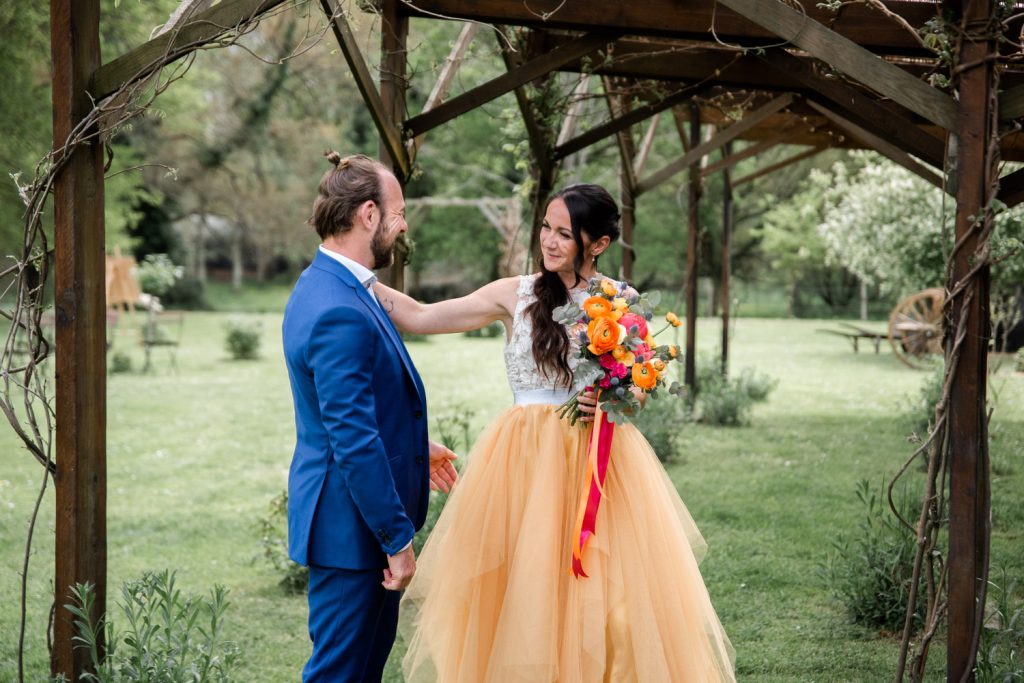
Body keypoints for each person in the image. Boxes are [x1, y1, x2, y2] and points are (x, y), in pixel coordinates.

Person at [374, 183, 736, 681]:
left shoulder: (620, 302)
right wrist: (355, 279)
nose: (548, 240)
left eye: (564, 233)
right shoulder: (513, 293)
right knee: (520, 592)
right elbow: (420, 315)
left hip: (598, 463)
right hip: (521, 460)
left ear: (598, 244)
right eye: (546, 227)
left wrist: (608, 398)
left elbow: (640, 388)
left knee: (614, 603)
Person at [282, 152, 458, 683]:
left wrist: (411, 440)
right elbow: (353, 442)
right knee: (340, 675)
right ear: (367, 214)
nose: (403, 224)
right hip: (352, 534)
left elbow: (357, 411)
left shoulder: (329, 286)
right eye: (398, 211)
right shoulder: (340, 308)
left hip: (351, 527)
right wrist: (397, 542)